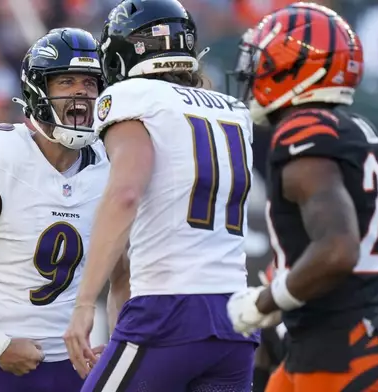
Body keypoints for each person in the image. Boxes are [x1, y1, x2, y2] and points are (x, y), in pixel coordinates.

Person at [224, 4, 378, 392]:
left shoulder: (304, 132)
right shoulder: (358, 131)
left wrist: (265, 302)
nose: (252, 72)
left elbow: (338, 250)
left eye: (263, 61)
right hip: (353, 341)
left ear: (295, 69)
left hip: (337, 352)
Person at [62, 0, 257, 390]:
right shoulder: (234, 109)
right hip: (235, 315)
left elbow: (126, 194)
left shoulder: (136, 97)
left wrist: (84, 303)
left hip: (170, 308)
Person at [0, 28, 127, 392]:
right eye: (66, 81)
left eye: (90, 83)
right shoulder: (3, 158)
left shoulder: (109, 166)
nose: (81, 92)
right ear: (38, 91)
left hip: (70, 365)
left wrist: (118, 344)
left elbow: (123, 275)